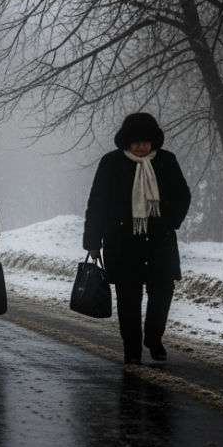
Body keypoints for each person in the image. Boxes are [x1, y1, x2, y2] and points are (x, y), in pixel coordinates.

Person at [85, 113, 190, 365]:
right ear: (126, 142)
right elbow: (97, 202)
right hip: (122, 240)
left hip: (159, 240)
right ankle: (131, 348)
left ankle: (154, 338)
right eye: (135, 142)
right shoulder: (111, 163)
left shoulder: (166, 161)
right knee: (128, 297)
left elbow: (182, 195)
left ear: (154, 141)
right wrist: (92, 240)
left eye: (146, 141)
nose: (141, 146)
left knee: (163, 290)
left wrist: (169, 222)